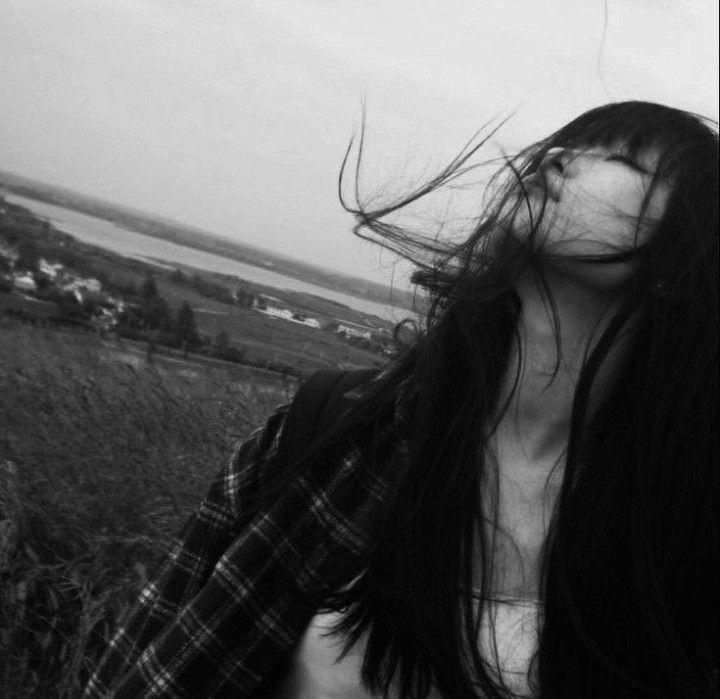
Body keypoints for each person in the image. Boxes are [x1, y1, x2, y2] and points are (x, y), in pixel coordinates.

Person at [84, 101, 718, 698]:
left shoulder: (678, 527)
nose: (556, 155)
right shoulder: (335, 433)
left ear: (679, 262)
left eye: (626, 160)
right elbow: (148, 658)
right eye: (571, 139)